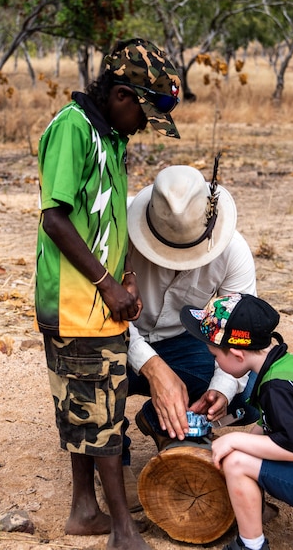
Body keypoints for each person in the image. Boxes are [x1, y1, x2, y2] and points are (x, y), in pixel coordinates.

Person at [33, 37, 180, 550]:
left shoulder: (110, 138)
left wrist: (126, 277)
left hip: (98, 301)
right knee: (103, 416)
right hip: (76, 305)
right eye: (143, 114)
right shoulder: (72, 131)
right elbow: (55, 219)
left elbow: (103, 221)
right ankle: (123, 530)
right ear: (121, 96)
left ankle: (84, 509)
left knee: (86, 406)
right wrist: (105, 284)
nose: (144, 127)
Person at [179, 293, 293, 550]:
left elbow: (289, 448)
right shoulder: (284, 363)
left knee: (237, 463)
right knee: (244, 451)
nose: (215, 362)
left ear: (237, 354)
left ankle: (251, 545)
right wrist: (243, 442)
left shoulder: (276, 388)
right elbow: (270, 425)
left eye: (215, 357)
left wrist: (233, 439)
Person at [123, 163, 258, 468]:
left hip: (182, 344)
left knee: (248, 395)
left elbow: (238, 332)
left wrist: (221, 389)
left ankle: (165, 423)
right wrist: (153, 367)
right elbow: (96, 311)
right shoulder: (118, 230)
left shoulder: (234, 252)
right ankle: (115, 460)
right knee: (90, 370)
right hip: (117, 339)